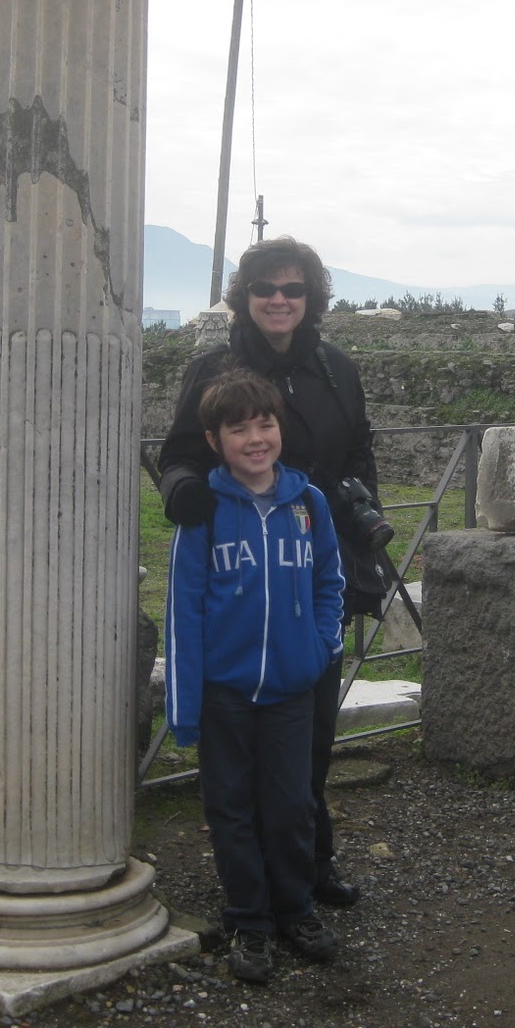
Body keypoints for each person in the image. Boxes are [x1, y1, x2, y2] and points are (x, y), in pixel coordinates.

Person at [159, 235, 385, 909]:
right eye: (266, 289)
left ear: (311, 297)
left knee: (309, 734)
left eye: (293, 289)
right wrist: (181, 494)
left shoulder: (337, 369)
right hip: (242, 571)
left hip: (314, 563)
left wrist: (355, 535)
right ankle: (252, 889)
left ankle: (309, 865)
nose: (280, 300)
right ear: (245, 297)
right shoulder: (213, 367)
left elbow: (360, 452)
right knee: (242, 756)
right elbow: (178, 453)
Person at [164, 368, 345, 983]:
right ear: (215, 440)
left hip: (292, 690)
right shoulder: (204, 511)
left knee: (292, 805)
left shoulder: (308, 503)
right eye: (237, 429)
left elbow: (329, 583)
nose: (255, 438)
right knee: (232, 809)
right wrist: (187, 705)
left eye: (264, 424)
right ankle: (250, 918)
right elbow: (183, 611)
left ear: (280, 429)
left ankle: (295, 907)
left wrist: (319, 647)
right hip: (226, 695)